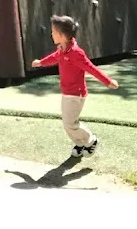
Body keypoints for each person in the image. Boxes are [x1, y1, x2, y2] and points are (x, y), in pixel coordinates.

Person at [32, 14, 119, 158]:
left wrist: (107, 81)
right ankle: (80, 143)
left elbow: (91, 68)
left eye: (53, 31)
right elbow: (54, 57)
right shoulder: (63, 49)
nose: (51, 34)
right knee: (69, 122)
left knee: (69, 123)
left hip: (76, 95)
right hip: (67, 93)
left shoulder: (76, 53)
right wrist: (41, 62)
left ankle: (90, 140)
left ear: (62, 35)